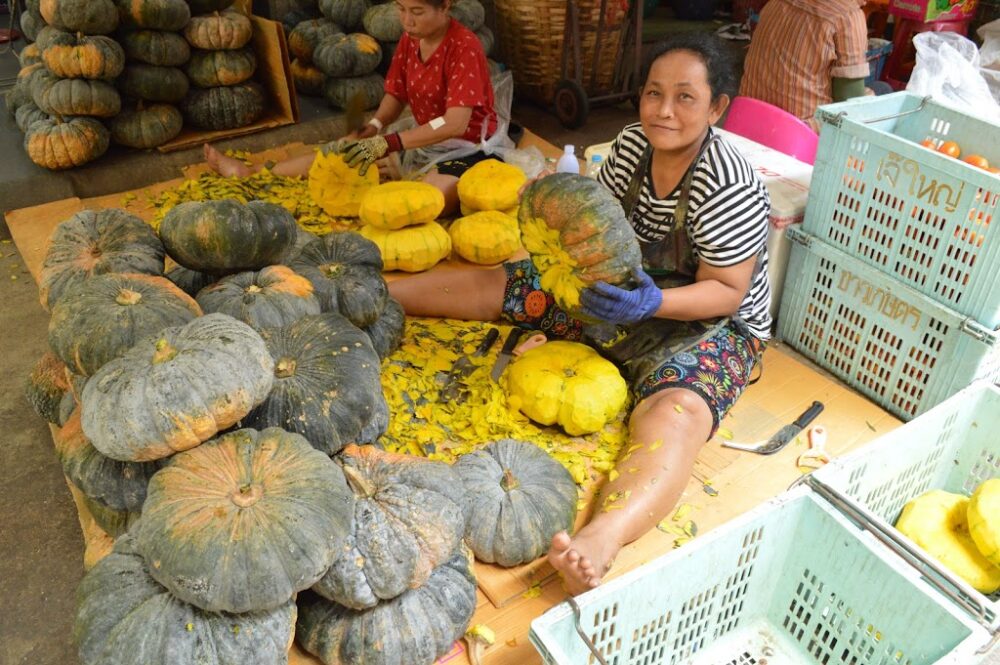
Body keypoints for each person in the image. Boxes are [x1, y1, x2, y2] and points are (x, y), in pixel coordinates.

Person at [389, 33, 772, 594]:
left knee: (680, 411)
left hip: (706, 322)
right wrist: (551, 209)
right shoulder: (629, 147)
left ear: (717, 108)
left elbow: (728, 290)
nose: (664, 110)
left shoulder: (728, 180)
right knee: (509, 285)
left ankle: (603, 538)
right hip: (616, 295)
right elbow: (595, 226)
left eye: (686, 98)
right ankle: (380, 291)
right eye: (653, 93)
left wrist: (653, 302)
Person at [204, 0, 499, 214]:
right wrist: (375, 127)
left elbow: (453, 123)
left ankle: (399, 173)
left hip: (468, 146)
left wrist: (389, 144)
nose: (407, 20)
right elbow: (396, 95)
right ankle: (254, 173)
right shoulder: (412, 39)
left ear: (445, 6)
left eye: (417, 12)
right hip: (424, 135)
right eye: (401, 9)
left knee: (427, 201)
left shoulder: (464, 46)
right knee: (346, 147)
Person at [740, 0, 871, 132]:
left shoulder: (775, 2)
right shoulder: (847, 16)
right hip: (797, 133)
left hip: (746, 117)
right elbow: (851, 105)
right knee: (881, 90)